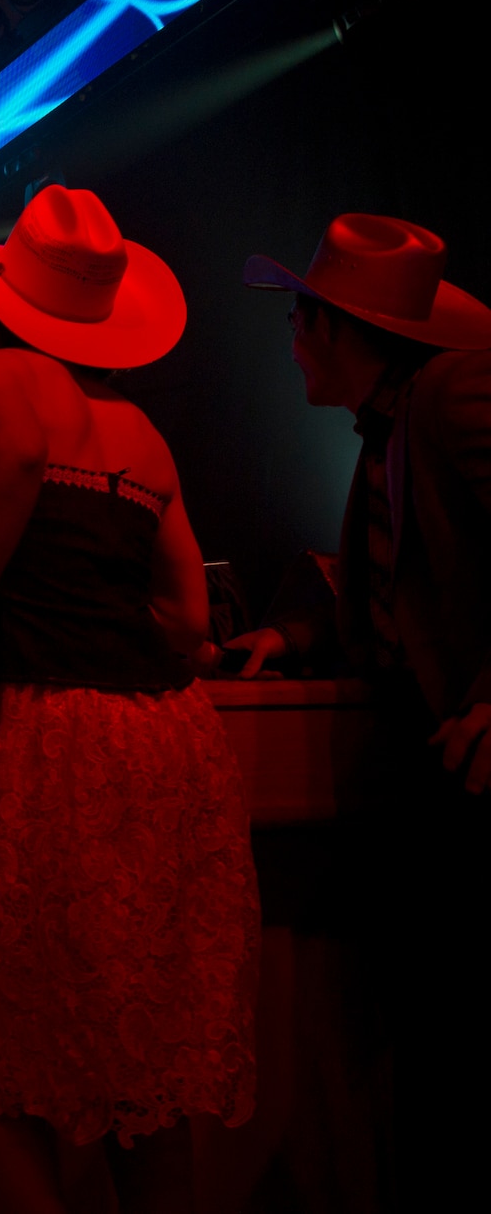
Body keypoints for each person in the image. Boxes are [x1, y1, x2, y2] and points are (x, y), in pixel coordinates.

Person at [0, 186, 258, 1213]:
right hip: (165, 740)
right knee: (136, 1065)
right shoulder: (138, 429)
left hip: (52, 732)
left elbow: (14, 455)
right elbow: (189, 615)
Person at [222, 213, 491, 1209]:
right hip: (429, 786)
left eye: (298, 319)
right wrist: (292, 636)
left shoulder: (452, 393)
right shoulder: (395, 418)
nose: (288, 340)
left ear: (337, 325)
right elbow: (402, 576)